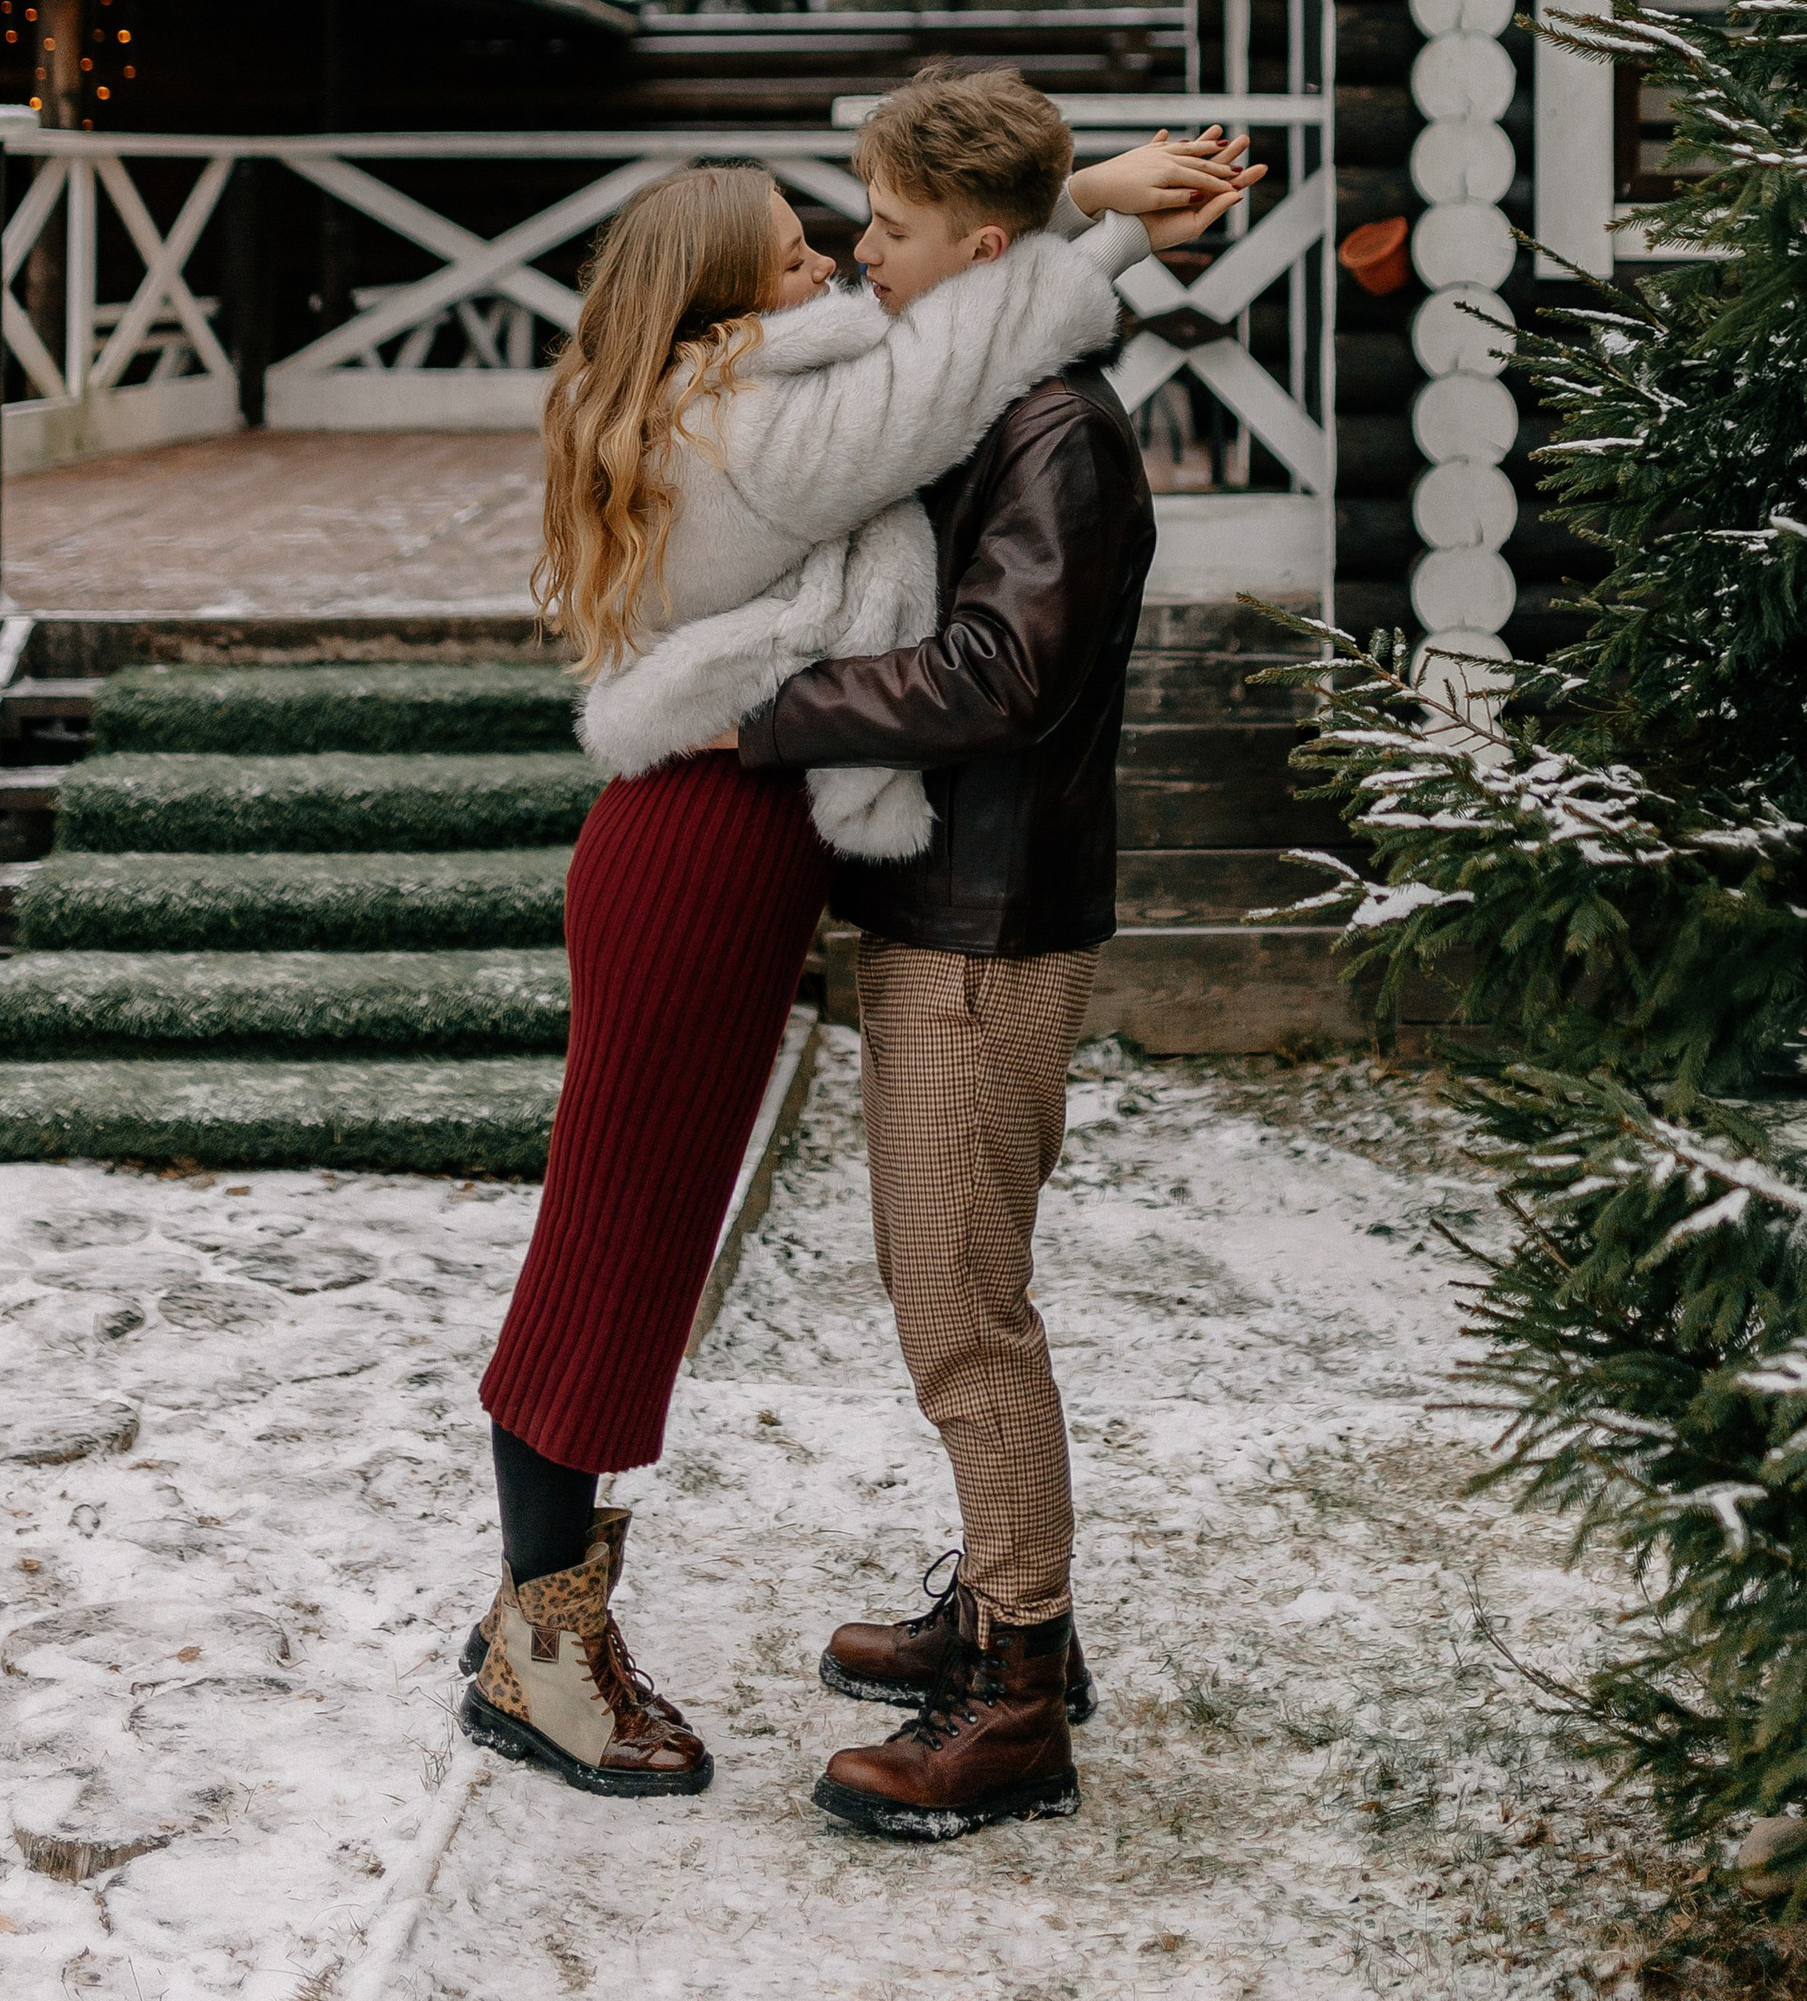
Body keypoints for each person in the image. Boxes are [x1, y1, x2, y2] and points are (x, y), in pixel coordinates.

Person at [457, 111, 1249, 1799]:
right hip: (696, 854)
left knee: (643, 1244)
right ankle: (541, 1641)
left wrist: (1075, 223)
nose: (830, 257)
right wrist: (1085, 205)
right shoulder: (745, 429)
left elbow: (957, 344)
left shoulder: (776, 398)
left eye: (848, 236)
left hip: (736, 851)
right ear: (725, 296)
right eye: (797, 249)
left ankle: (548, 1612)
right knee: (616, 1244)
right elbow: (956, 351)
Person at [737, 60, 1229, 1843]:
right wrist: (1100, 197)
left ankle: (1018, 1697)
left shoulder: (1058, 438)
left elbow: (993, 675)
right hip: (953, 907)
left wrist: (773, 707)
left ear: (981, 247)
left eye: (888, 226)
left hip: (985, 928)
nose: (862, 254)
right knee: (953, 1286)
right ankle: (1007, 1607)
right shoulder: (994, 388)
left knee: (960, 1314)